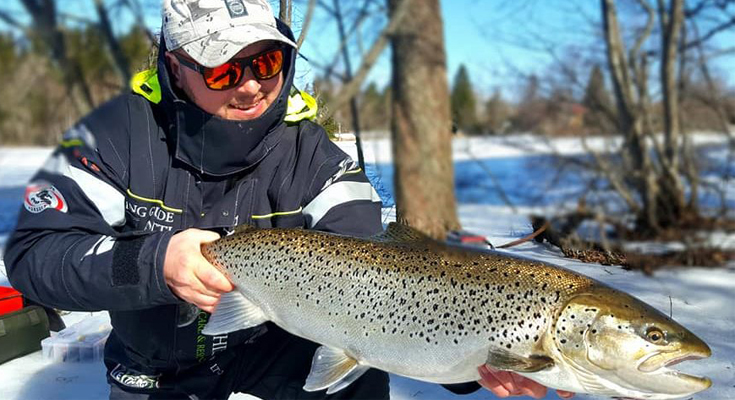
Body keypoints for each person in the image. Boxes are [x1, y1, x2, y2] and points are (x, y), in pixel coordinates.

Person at [5, 1, 572, 399]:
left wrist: (470, 362)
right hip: (156, 366)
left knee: (362, 387)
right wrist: (155, 265)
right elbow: (35, 255)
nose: (250, 84)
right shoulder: (110, 136)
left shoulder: (317, 156)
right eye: (224, 66)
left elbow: (380, 279)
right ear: (176, 67)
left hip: (288, 341)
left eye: (266, 62)